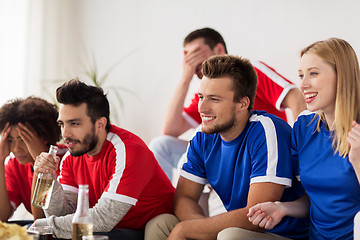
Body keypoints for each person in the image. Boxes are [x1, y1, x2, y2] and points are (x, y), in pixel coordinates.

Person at [145, 55, 309, 240]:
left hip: (283, 235)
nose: (202, 108)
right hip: (236, 229)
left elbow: (255, 218)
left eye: (214, 99)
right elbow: (184, 198)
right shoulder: (202, 137)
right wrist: (198, 228)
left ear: (242, 103)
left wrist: (189, 230)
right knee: (160, 225)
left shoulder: (266, 130)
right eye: (201, 97)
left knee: (230, 236)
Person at [149, 27, 306, 182]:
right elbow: (170, 130)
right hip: (226, 155)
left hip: (259, 152)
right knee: (161, 145)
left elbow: (296, 97)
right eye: (187, 55)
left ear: (218, 49)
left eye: (196, 52)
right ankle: (165, 205)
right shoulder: (205, 96)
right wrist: (186, 76)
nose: (191, 59)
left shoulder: (251, 72)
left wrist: (299, 149)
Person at [32, 78, 175, 240]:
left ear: (100, 124)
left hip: (153, 226)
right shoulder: (71, 157)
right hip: (114, 230)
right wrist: (49, 179)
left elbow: (103, 218)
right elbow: (63, 213)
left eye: (74, 124)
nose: (65, 134)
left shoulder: (128, 150)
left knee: (157, 225)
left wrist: (41, 226)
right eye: (62, 124)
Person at [247, 38, 360, 240]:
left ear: (341, 75)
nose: (303, 84)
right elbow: (312, 200)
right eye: (301, 75)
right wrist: (281, 208)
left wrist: (358, 161)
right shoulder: (303, 128)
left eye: (313, 74)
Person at [0, 96, 64, 222]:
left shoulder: (66, 160)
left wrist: (39, 161)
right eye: (10, 140)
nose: (16, 148)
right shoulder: (14, 166)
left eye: (23, 139)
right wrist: (0, 161)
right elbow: (2, 216)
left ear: (44, 135)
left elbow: (41, 218)